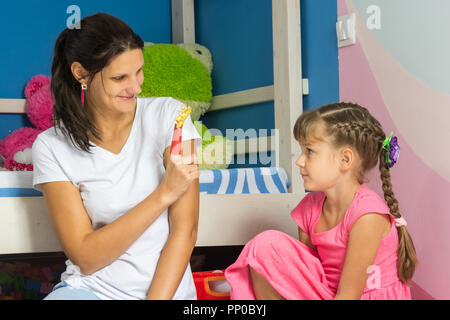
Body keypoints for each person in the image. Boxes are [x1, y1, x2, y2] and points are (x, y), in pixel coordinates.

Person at [32, 13, 202, 300]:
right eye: (119, 77)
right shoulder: (50, 146)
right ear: (81, 73)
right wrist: (164, 194)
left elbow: (185, 231)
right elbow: (86, 256)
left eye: (139, 71)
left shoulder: (171, 116)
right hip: (91, 290)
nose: (135, 87)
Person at [225, 102, 417, 300]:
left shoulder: (367, 217)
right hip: (330, 293)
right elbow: (310, 276)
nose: (299, 161)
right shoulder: (309, 210)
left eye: (309, 151)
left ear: (345, 159)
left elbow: (348, 296)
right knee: (263, 245)